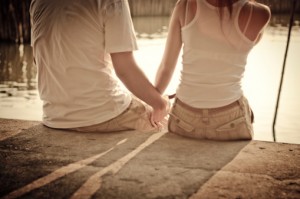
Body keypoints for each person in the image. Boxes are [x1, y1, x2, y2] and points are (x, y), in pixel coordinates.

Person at [30, 0, 168, 133]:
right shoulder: (112, 2)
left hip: (54, 116)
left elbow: (38, 60)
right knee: (164, 117)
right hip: (101, 114)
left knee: (144, 99)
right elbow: (125, 70)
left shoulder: (37, 3)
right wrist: (160, 104)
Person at [155, 0, 271, 140]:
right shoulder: (260, 14)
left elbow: (166, 68)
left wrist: (155, 102)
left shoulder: (185, 6)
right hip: (230, 117)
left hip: (185, 115)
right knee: (244, 105)